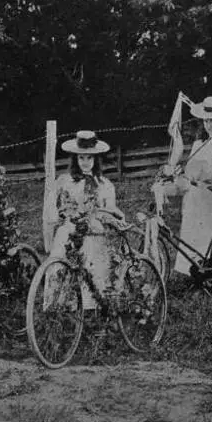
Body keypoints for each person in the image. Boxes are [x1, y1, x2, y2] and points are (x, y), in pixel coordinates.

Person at [153, 95, 212, 275]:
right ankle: (194, 271)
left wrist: (209, 178)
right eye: (206, 121)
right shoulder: (199, 143)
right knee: (194, 237)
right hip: (196, 201)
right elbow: (192, 174)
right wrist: (178, 177)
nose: (209, 125)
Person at [43, 130, 125, 310]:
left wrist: (115, 215)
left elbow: (110, 208)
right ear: (75, 159)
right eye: (81, 158)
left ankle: (93, 307)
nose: (86, 162)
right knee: (62, 254)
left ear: (96, 159)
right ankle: (62, 305)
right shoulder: (66, 182)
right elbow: (56, 209)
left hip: (95, 231)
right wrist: (64, 215)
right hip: (72, 229)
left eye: (89, 158)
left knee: (94, 257)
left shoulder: (104, 184)